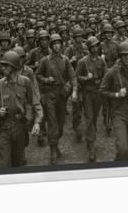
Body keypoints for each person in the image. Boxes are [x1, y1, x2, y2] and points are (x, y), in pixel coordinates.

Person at [0, 51, 41, 168]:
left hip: (20, 128)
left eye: (6, 66)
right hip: (3, 128)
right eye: (2, 65)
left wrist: (36, 123)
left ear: (13, 67)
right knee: (5, 163)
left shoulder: (25, 82)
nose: (2, 68)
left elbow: (34, 103)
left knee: (18, 163)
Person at [37, 34, 78, 164]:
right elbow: (37, 74)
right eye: (54, 43)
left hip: (62, 95)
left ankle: (56, 143)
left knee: (60, 125)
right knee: (52, 123)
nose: (56, 45)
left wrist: (74, 90)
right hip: (50, 94)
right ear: (51, 45)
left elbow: (73, 76)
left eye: (58, 43)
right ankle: (53, 150)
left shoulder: (65, 60)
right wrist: (46, 79)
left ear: (61, 45)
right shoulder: (45, 60)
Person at [75, 36, 107, 162]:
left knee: (94, 118)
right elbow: (76, 76)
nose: (95, 49)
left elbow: (106, 75)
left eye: (96, 46)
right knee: (89, 118)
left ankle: (91, 137)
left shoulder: (101, 61)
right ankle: (91, 145)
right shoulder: (82, 62)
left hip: (98, 93)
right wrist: (85, 78)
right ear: (88, 48)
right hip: (87, 93)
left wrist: (103, 82)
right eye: (92, 47)